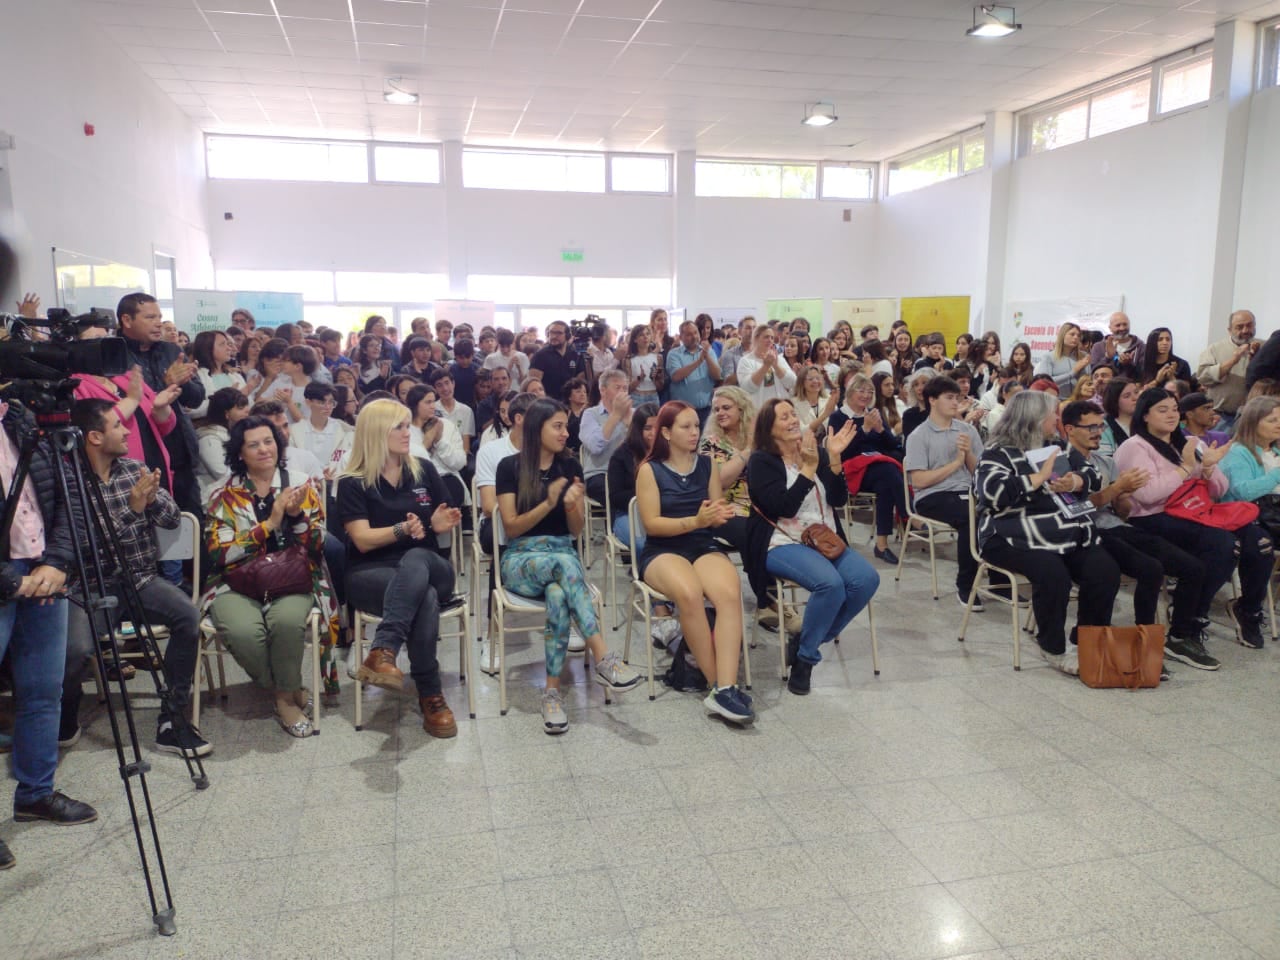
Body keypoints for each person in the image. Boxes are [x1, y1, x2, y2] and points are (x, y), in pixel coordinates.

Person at [64, 400, 212, 757]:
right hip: (90, 587)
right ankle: (64, 716)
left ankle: (171, 722)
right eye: (118, 425)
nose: (128, 431)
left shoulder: (134, 469)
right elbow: (84, 546)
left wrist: (153, 498)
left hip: (141, 580)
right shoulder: (70, 483)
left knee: (188, 617)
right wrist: (133, 510)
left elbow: (173, 519)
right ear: (95, 437)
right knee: (76, 649)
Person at [495, 399, 641, 733]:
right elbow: (512, 526)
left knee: (559, 595)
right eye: (557, 426)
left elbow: (575, 531)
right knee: (563, 565)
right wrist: (549, 502)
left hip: (562, 556)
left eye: (565, 426)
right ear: (536, 429)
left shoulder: (569, 466)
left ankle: (551, 695)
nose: (565, 432)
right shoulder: (510, 467)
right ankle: (604, 658)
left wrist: (573, 506)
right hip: (521, 558)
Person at [0, 398, 98, 870]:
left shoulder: (21, 417)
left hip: (43, 568)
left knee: (43, 691)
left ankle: (35, 793)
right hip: (7, 576)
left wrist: (58, 562)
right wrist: (10, 580)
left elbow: (68, 497)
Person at [203, 416, 339, 737]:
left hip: (292, 578)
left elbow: (319, 546)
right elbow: (219, 553)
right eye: (254, 444)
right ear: (239, 453)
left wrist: (296, 516)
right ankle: (285, 691)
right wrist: (270, 523)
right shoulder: (223, 492)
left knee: (287, 622)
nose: (265, 449)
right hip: (235, 582)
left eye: (269, 441)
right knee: (242, 631)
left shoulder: (302, 484)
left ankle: (283, 698)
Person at [338, 399, 464, 737]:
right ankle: (431, 693)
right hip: (371, 572)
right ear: (376, 432)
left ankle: (384, 648)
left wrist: (439, 523)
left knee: (416, 560)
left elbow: (444, 517)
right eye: (399, 426)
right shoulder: (352, 481)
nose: (408, 433)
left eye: (408, 425)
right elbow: (362, 539)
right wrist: (404, 529)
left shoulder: (423, 471)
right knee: (420, 597)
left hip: (431, 565)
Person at [974, 390, 1121, 675]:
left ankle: (1086, 639)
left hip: (1063, 530)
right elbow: (992, 494)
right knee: (1053, 574)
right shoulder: (997, 453)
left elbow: (1092, 475)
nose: (1057, 419)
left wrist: (1075, 481)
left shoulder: (1058, 447)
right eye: (1052, 414)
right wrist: (1038, 478)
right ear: (1033, 418)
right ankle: (1052, 646)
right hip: (1009, 534)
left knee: (1104, 571)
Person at [1116, 388, 1270, 658]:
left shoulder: (1189, 442)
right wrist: (1186, 469)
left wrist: (1209, 469)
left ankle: (1247, 609)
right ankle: (1188, 622)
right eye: (1162, 410)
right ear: (1145, 415)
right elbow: (1148, 495)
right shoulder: (1134, 447)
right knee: (1222, 544)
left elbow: (1218, 491)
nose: (1171, 414)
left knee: (1259, 541)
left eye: (1174, 409)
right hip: (1152, 518)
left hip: (1196, 512)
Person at [747, 398, 876, 695]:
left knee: (866, 580)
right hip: (780, 542)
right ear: (769, 428)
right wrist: (807, 471)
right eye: (784, 417)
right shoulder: (761, 461)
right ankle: (806, 661)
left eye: (794, 414)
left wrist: (833, 460)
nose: (793, 420)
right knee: (830, 585)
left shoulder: (816, 452)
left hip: (825, 539)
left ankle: (806, 641)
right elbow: (784, 507)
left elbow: (839, 500)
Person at [636, 401, 752, 723]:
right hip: (662, 549)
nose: (694, 432)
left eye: (696, 426)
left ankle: (726, 687)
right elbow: (652, 525)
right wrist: (698, 520)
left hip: (701, 543)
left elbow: (713, 515)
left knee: (729, 593)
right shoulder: (650, 470)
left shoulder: (707, 465)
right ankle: (717, 686)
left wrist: (719, 515)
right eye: (685, 427)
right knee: (688, 593)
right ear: (667, 433)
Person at [1061, 400, 1203, 658]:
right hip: (1086, 532)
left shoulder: (1105, 462)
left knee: (1192, 567)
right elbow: (1073, 511)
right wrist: (1115, 489)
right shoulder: (1061, 464)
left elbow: (1120, 511)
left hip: (1117, 526)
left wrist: (1124, 497)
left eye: (1100, 425)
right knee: (1150, 569)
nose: (1098, 432)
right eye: (1090, 426)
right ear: (1070, 429)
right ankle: (1144, 642)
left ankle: (1179, 636)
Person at [117, 292, 205, 517]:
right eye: (149, 318)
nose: (158, 323)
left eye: (159, 316)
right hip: (141, 455)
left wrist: (181, 384)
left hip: (180, 451)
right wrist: (166, 386)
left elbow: (196, 398)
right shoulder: (115, 356)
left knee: (191, 524)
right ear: (127, 320)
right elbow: (128, 404)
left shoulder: (171, 350)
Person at [903, 376, 989, 608]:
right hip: (933, 495)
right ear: (932, 400)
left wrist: (968, 453)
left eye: (957, 398)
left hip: (966, 490)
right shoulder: (919, 436)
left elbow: (979, 472)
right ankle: (966, 585)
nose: (955, 403)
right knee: (970, 517)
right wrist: (954, 463)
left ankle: (1000, 578)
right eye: (949, 398)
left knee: (997, 511)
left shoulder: (966, 431)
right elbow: (919, 481)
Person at [828, 372, 907, 564]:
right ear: (850, 393)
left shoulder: (873, 413)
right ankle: (908, 514)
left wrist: (880, 430)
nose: (866, 395)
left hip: (877, 469)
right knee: (889, 471)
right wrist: (864, 429)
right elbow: (841, 453)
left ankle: (882, 545)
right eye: (861, 391)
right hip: (852, 470)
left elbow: (895, 446)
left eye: (870, 391)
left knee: (886, 481)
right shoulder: (838, 417)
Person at [608, 403, 659, 554]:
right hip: (628, 513)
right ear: (638, 430)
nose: (653, 433)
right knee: (643, 544)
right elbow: (615, 497)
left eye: (657, 427)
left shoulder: (669, 452)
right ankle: (645, 572)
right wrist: (646, 493)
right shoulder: (621, 455)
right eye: (647, 428)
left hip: (663, 511)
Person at [1197, 309, 1260, 430]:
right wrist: (1233, 360)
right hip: (1221, 418)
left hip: (1253, 419)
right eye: (1239, 327)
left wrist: (1257, 359)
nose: (1245, 330)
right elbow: (1203, 378)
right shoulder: (1214, 349)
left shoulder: (1265, 348)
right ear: (1229, 330)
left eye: (1249, 325)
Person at [407, 383, 467, 508]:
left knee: (450, 487)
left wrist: (440, 440)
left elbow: (460, 463)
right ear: (414, 404)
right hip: (417, 482)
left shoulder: (447, 425)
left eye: (434, 401)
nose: (433, 406)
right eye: (428, 402)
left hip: (447, 479)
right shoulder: (405, 430)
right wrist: (429, 439)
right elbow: (413, 466)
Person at [579, 369, 631, 505]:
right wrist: (616, 416)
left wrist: (630, 425)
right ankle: (618, 524)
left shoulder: (635, 414)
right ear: (603, 390)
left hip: (630, 472)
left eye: (625, 388)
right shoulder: (590, 414)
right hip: (600, 472)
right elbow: (595, 447)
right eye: (617, 388)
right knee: (616, 493)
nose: (623, 392)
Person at [290, 381, 355, 478]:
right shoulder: (294, 432)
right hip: (305, 485)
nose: (328, 407)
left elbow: (351, 462)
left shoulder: (346, 431)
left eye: (331, 402)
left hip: (335, 485)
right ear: (308, 402)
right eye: (322, 402)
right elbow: (292, 463)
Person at [196, 386, 249, 502]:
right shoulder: (209, 438)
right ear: (226, 413)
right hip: (213, 501)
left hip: (233, 495)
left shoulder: (233, 433)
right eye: (240, 408)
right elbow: (222, 473)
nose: (247, 411)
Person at [188, 329, 256, 418]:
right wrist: (227, 399)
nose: (229, 348)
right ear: (207, 348)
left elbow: (250, 406)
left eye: (228, 344)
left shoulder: (235, 375)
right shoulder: (196, 376)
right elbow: (190, 410)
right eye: (222, 344)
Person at [666, 320, 720, 427]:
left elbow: (717, 376)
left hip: (707, 409)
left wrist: (707, 356)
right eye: (689, 334)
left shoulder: (709, 351)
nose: (694, 337)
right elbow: (676, 376)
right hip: (683, 411)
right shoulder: (674, 354)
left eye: (696, 333)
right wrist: (699, 361)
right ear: (681, 337)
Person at [737, 325, 797, 407]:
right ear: (756, 338)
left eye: (772, 338)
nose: (770, 340)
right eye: (766, 337)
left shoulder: (780, 359)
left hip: (780, 408)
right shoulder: (745, 361)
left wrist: (776, 366)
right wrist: (765, 366)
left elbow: (792, 382)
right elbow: (747, 387)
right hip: (758, 411)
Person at [528, 321, 588, 399]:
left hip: (570, 402)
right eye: (551, 333)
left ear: (567, 336)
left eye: (558, 333)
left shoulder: (576, 354)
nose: (553, 336)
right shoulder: (540, 355)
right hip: (548, 402)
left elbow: (580, 381)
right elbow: (533, 383)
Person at [1033, 322, 1090, 394]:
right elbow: (1044, 382)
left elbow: (1087, 380)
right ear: (1062, 335)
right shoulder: (1048, 357)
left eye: (1078, 335)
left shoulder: (1084, 356)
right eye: (1072, 334)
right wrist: (1072, 373)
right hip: (1056, 400)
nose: (1076, 337)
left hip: (1077, 401)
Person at [1089, 311, 1145, 379]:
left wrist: (1128, 364)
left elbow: (1143, 374)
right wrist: (1108, 357)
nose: (1122, 328)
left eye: (1125, 324)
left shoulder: (1140, 346)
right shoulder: (1098, 347)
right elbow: (1094, 372)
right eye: (1118, 325)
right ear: (1110, 327)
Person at [792, 363, 838, 435]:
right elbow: (801, 432)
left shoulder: (828, 398)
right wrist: (825, 415)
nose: (815, 381)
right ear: (802, 382)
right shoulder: (793, 403)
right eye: (810, 379)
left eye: (818, 378)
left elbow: (836, 426)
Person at [1099, 377, 1139, 457]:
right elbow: (1106, 462)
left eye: (1136, 392)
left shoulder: (1147, 421)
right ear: (1114, 401)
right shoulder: (1104, 427)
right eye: (1127, 396)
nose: (1135, 398)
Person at [626, 324, 662, 406]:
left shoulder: (658, 357)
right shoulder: (629, 359)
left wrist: (655, 378)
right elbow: (627, 388)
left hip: (653, 396)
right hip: (636, 397)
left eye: (647, 334)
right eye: (641, 335)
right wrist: (639, 378)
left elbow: (660, 386)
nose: (645, 337)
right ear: (635, 339)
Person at [899, 368, 938, 439]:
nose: (920, 388)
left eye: (924, 383)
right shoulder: (909, 414)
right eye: (916, 385)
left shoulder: (942, 412)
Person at [476, 365, 513, 434]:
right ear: (491, 382)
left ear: (510, 380)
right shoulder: (484, 404)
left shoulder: (519, 400)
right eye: (496, 379)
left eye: (504, 378)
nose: (501, 382)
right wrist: (500, 414)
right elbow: (483, 428)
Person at [563, 377, 589, 453]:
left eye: (585, 392)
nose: (582, 394)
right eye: (578, 391)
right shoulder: (565, 412)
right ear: (569, 396)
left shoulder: (590, 412)